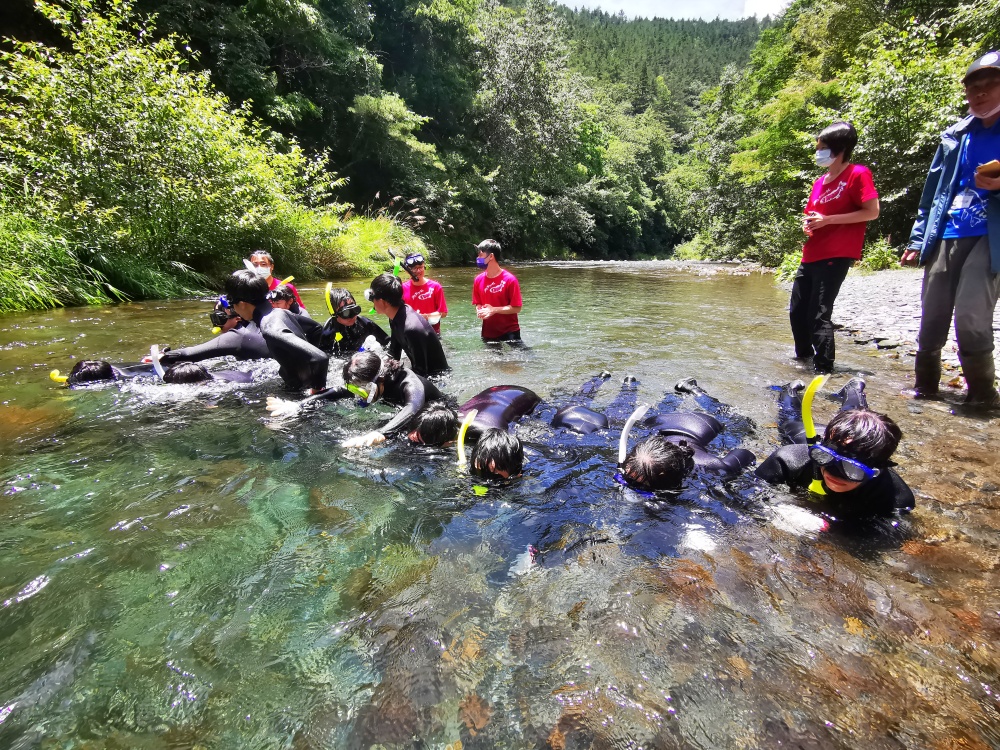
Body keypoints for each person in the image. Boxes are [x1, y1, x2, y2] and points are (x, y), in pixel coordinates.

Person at [901, 51, 1000, 407]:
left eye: (990, 86)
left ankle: (983, 395)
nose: (980, 94)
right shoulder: (955, 136)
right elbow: (933, 194)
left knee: (972, 312)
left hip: (991, 235)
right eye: (973, 88)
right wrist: (917, 238)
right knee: (933, 313)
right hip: (948, 232)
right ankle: (925, 387)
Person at [789, 122, 880, 374]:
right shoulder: (819, 182)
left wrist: (828, 220)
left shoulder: (858, 174)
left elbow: (871, 212)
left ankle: (823, 370)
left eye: (822, 147)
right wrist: (808, 226)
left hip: (836, 254)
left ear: (839, 148)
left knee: (818, 314)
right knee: (797, 312)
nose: (817, 151)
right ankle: (803, 362)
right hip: (811, 253)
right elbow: (811, 215)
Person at [755, 408, 915, 520]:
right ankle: (789, 391)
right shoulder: (787, 460)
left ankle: (853, 390)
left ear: (876, 470)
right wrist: (777, 509)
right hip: (800, 433)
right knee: (789, 417)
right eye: (824, 457)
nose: (834, 472)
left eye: (852, 468)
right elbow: (749, 497)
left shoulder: (896, 499)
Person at [618, 377, 757, 492]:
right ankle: (674, 395)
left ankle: (696, 391)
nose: (631, 484)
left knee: (743, 424)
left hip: (703, 423)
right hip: (659, 422)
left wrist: (729, 480)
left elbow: (745, 454)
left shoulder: (710, 465)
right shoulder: (631, 462)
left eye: (641, 485)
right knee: (658, 413)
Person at [225, 269, 328, 392]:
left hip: (299, 392)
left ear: (242, 304)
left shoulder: (270, 329)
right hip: (298, 384)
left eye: (231, 303)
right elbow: (316, 329)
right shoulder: (280, 312)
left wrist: (316, 392)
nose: (233, 309)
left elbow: (320, 358)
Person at [336, 351, 444, 447]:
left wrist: (381, 432)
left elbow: (413, 407)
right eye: (355, 390)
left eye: (362, 391)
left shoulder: (409, 384)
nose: (359, 395)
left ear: (380, 380)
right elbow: (340, 390)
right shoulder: (378, 382)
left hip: (437, 417)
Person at [367, 272, 449, 377]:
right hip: (422, 374)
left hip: (437, 379)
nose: (372, 301)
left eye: (372, 298)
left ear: (383, 302)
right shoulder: (396, 317)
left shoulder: (411, 328)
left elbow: (421, 373)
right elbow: (393, 352)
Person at [408, 385, 541, 445]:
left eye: (421, 438)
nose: (412, 436)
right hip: (491, 392)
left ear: (448, 442)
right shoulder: (439, 421)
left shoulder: (483, 433)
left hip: (523, 398)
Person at [159, 297, 270, 365]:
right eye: (214, 319)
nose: (217, 324)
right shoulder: (252, 329)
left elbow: (190, 354)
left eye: (220, 318)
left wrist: (162, 356)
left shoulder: (238, 336)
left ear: (238, 317)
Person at [472, 239, 523, 343]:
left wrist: (494, 310)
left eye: (481, 255)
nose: (478, 258)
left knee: (516, 359)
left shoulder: (510, 279)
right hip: (488, 332)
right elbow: (478, 303)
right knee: (490, 360)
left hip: (510, 331)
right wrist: (479, 310)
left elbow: (517, 308)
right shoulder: (478, 280)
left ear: (491, 256)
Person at [318, 287, 390, 358]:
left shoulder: (365, 324)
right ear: (333, 313)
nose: (352, 316)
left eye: (354, 310)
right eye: (345, 313)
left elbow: (388, 343)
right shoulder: (327, 333)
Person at [401, 253, 448, 335]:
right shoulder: (402, 289)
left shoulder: (435, 287)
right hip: (411, 333)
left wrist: (426, 317)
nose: (418, 271)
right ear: (407, 270)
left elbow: (443, 313)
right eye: (415, 268)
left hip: (433, 334)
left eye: (420, 267)